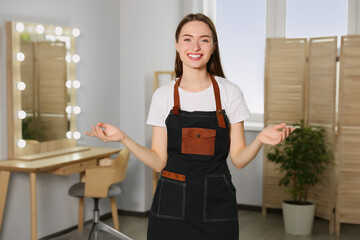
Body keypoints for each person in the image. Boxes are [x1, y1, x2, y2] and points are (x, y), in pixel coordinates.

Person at [85, 13, 295, 240]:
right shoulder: (163, 95)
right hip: (170, 204)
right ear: (176, 45)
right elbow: (158, 161)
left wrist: (260, 140)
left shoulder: (229, 92)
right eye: (187, 39)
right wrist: (123, 138)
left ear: (213, 46)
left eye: (204, 39)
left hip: (217, 205)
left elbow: (239, 159)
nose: (195, 46)